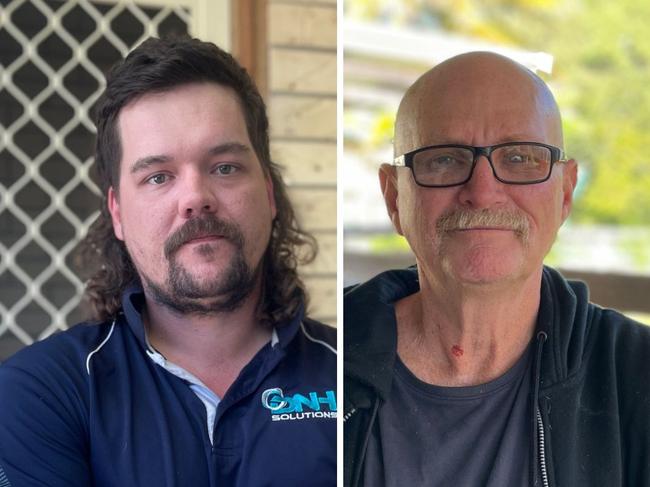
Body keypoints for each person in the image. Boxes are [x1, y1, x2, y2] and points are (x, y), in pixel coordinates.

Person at [0, 37, 336, 486]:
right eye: (158, 176)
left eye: (225, 167)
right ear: (117, 213)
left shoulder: (354, 373)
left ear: (270, 194)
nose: (196, 197)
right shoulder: (41, 393)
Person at [343, 51, 650, 487]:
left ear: (565, 193)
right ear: (395, 198)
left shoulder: (636, 375)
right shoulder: (320, 361)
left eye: (520, 159)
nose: (483, 193)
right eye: (445, 159)